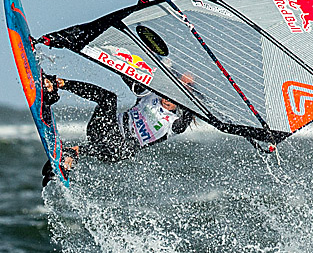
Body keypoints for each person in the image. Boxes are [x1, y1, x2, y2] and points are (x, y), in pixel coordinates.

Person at [40, 73, 196, 186]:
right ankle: (59, 84)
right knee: (109, 98)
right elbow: (126, 73)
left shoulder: (173, 124)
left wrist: (190, 88)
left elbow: (189, 114)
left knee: (130, 147)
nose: (168, 99)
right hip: (101, 128)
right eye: (169, 94)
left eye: (175, 98)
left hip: (115, 151)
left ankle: (73, 152)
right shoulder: (149, 95)